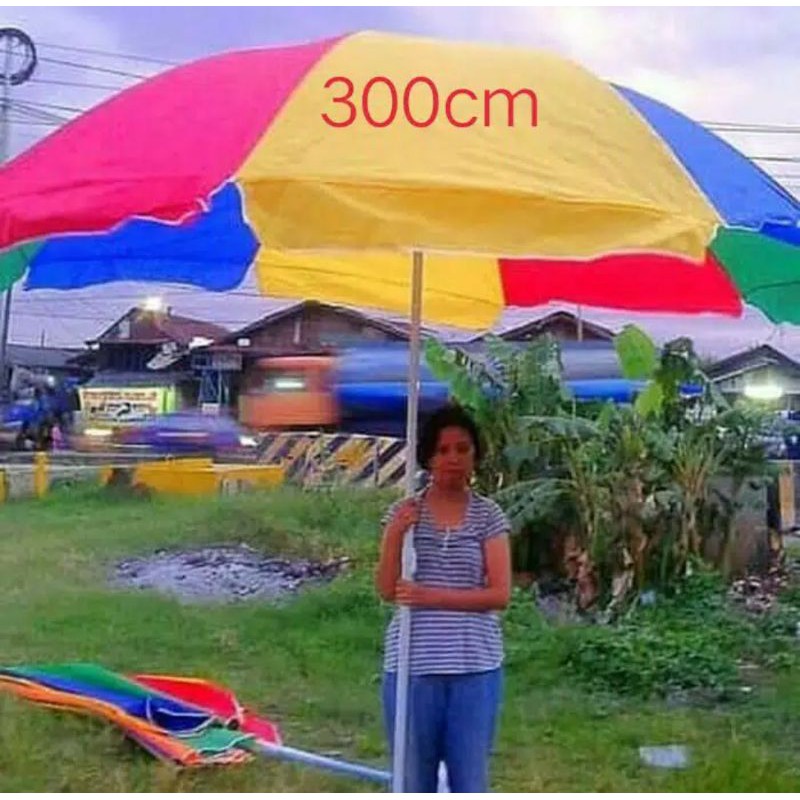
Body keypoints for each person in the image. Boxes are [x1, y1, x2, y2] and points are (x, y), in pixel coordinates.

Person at [375, 404, 512, 793]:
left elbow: (499, 594)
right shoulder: (405, 513)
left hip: (475, 668)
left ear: (476, 455)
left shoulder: (488, 516)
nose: (453, 458)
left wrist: (431, 596)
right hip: (412, 666)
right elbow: (387, 589)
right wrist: (395, 533)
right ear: (428, 457)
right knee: (412, 779)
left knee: (469, 779)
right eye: (443, 450)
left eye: (463, 449)